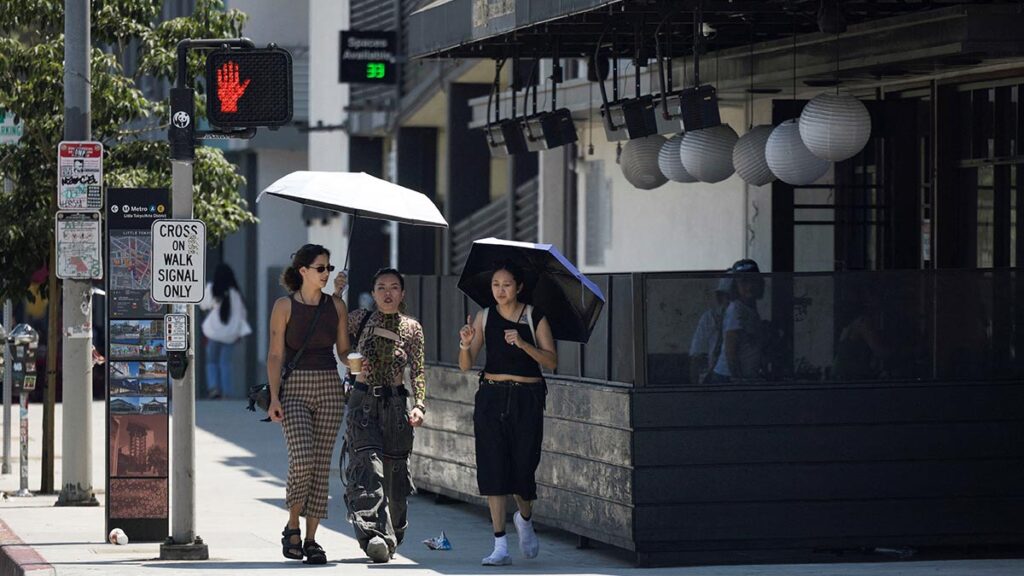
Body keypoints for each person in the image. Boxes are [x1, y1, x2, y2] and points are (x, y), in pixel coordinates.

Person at [458, 260, 558, 566]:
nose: (500, 290)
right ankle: (500, 544)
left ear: (519, 287)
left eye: (506, 285)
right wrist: (464, 344)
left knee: (523, 469)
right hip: (491, 396)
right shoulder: (485, 317)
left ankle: (524, 519)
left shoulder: (534, 315)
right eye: (495, 285)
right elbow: (466, 365)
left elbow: (551, 361)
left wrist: (523, 343)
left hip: (527, 398)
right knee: (493, 468)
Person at [266, 244, 349, 564]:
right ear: (303, 271)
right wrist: (274, 397)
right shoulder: (283, 306)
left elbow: (343, 351)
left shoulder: (336, 307)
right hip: (295, 387)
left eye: (329, 268)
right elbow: (275, 354)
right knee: (302, 459)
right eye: (320, 268)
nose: (326, 273)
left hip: (329, 385)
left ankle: (312, 538)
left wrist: (356, 363)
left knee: (320, 465)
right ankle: (291, 526)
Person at [342, 268, 426, 563]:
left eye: (393, 287)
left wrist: (419, 405)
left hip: (395, 406)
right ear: (373, 292)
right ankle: (374, 536)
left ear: (402, 293)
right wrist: (337, 292)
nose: (387, 293)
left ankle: (395, 529)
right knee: (367, 469)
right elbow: (334, 330)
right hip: (362, 402)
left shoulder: (412, 328)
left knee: (394, 476)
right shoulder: (359, 319)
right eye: (381, 287)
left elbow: (418, 371)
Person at [199, 264, 251, 399]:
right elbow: (242, 314)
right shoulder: (235, 293)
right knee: (225, 363)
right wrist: (239, 333)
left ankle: (214, 388)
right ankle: (227, 391)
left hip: (214, 333)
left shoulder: (212, 289)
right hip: (230, 335)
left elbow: (203, 305)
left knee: (211, 362)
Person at [709, 259, 766, 383]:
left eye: (753, 280)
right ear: (735, 286)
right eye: (744, 282)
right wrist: (738, 381)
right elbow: (731, 350)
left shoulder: (750, 310)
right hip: (729, 379)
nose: (749, 286)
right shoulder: (737, 310)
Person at [688, 274, 732, 384]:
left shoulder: (745, 318)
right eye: (727, 296)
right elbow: (696, 354)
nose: (730, 301)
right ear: (720, 297)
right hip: (712, 377)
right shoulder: (709, 318)